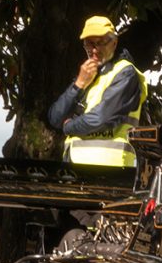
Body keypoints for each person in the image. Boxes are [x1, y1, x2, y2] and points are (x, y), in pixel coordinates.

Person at [48, 15, 147, 167]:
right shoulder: (89, 74)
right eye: (89, 44)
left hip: (109, 169)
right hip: (75, 167)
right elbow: (55, 118)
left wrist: (68, 127)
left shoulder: (125, 72)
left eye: (100, 43)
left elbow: (101, 119)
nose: (94, 50)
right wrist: (79, 84)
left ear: (114, 42)